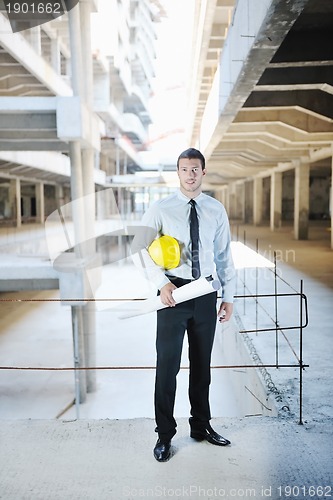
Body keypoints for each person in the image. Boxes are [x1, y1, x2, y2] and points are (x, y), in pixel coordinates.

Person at [131, 148, 236, 462]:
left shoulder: (216, 210)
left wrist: (228, 297)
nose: (190, 174)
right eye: (184, 169)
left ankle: (201, 426)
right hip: (172, 294)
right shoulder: (161, 209)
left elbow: (224, 256)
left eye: (195, 169)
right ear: (177, 173)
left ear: (204, 172)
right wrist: (160, 282)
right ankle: (164, 435)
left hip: (205, 291)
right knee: (167, 368)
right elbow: (138, 248)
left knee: (202, 366)